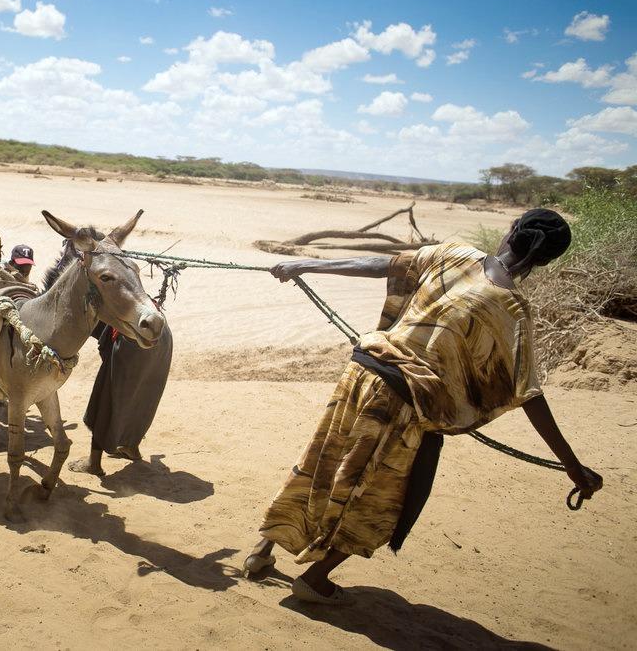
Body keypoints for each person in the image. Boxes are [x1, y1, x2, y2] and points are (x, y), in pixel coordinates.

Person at [242, 209, 603, 604]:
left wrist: (306, 264)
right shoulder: (513, 310)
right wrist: (571, 465)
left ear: (512, 230)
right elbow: (528, 394)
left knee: (320, 461)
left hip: (363, 377)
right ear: (548, 260)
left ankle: (263, 551)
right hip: (404, 408)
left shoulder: (456, 254)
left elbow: (383, 264)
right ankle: (316, 579)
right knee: (383, 502)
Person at [69, 319, 173, 477]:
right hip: (162, 335)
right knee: (143, 397)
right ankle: (131, 447)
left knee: (105, 396)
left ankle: (93, 462)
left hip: (132, 338)